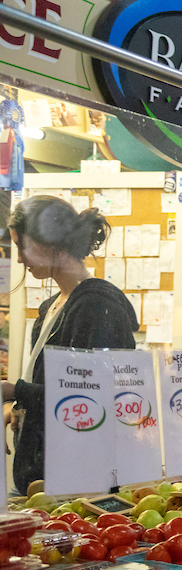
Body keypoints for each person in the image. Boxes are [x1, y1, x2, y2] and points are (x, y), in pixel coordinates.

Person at [2, 197, 138, 493]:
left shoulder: (97, 307)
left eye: (22, 245)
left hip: (79, 479)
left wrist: (17, 391)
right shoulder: (52, 306)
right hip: (42, 476)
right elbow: (58, 389)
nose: (20, 258)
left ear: (51, 243)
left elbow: (95, 398)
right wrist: (23, 407)